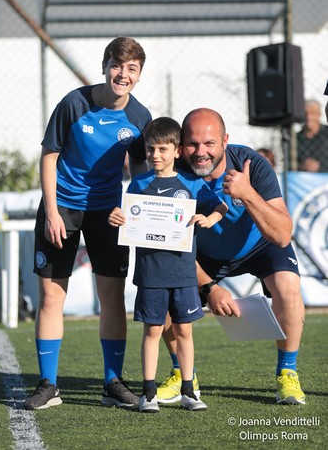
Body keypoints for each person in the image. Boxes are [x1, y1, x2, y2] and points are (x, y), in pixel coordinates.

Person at [24, 37, 152, 410]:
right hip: (61, 206)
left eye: (131, 69)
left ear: (139, 75)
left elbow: (141, 171)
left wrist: (133, 209)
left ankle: (112, 382)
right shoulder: (73, 103)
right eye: (116, 65)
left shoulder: (140, 118)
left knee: (111, 296)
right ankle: (49, 384)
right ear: (104, 66)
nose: (122, 75)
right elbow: (49, 157)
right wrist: (51, 211)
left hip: (107, 214)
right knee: (51, 296)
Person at [157, 108, 306, 406]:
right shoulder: (172, 174)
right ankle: (184, 376)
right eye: (192, 144)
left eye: (209, 143)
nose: (200, 152)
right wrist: (209, 287)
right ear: (181, 144)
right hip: (203, 253)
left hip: (258, 245)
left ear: (225, 140)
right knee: (161, 298)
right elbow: (168, 244)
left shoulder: (252, 163)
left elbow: (282, 234)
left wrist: (247, 193)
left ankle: (287, 374)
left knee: (288, 288)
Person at [108, 117, 227, 412]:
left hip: (184, 273)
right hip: (150, 274)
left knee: (185, 331)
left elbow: (221, 204)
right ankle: (148, 393)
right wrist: (116, 217)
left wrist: (209, 218)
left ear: (176, 151)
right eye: (150, 149)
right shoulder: (138, 183)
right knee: (153, 331)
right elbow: (127, 218)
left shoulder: (191, 183)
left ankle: (189, 391)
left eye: (162, 149)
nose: (155, 155)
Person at [296, 99, 328, 172]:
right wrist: (302, 165)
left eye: (313, 113)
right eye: (306, 113)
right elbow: (289, 163)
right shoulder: (295, 139)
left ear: (319, 115)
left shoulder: (326, 134)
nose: (308, 117)